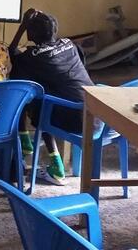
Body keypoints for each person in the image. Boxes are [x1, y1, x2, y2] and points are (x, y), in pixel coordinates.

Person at [9, 9, 94, 185]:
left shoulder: (34, 56)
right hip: (95, 113)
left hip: (75, 120)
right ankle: (27, 143)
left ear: (30, 34)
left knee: (34, 98)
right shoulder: (70, 44)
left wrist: (22, 26)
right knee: (45, 93)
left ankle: (54, 167)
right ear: (55, 30)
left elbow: (11, 53)